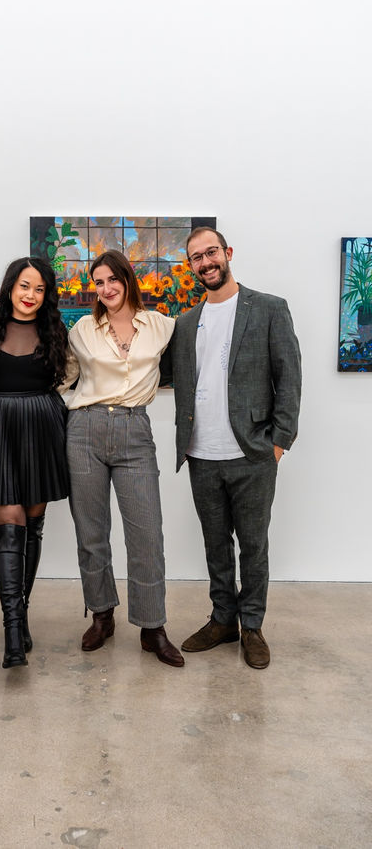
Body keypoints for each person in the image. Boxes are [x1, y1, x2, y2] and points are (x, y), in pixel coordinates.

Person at [163, 227, 301, 669]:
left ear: (228, 253)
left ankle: (253, 625)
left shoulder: (269, 309)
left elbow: (289, 378)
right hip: (201, 454)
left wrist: (279, 442)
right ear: (191, 268)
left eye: (211, 253)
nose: (205, 263)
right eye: (196, 258)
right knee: (215, 544)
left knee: (254, 545)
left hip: (253, 454)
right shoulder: (185, 323)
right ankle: (223, 620)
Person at [62, 250, 184, 667]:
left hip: (135, 429)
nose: (106, 288)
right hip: (84, 430)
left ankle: (153, 627)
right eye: (98, 282)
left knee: (147, 533)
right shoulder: (82, 328)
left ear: (128, 280)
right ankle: (101, 615)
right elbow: (63, 376)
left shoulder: (162, 325)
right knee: (91, 531)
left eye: (113, 279)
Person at [0, 257, 69, 669]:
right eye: (25, 286)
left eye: (40, 289)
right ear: (11, 286)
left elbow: (67, 380)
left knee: (32, 528)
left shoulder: (54, 329)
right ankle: (12, 631)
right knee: (9, 528)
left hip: (41, 427)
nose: (31, 296)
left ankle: (21, 614)